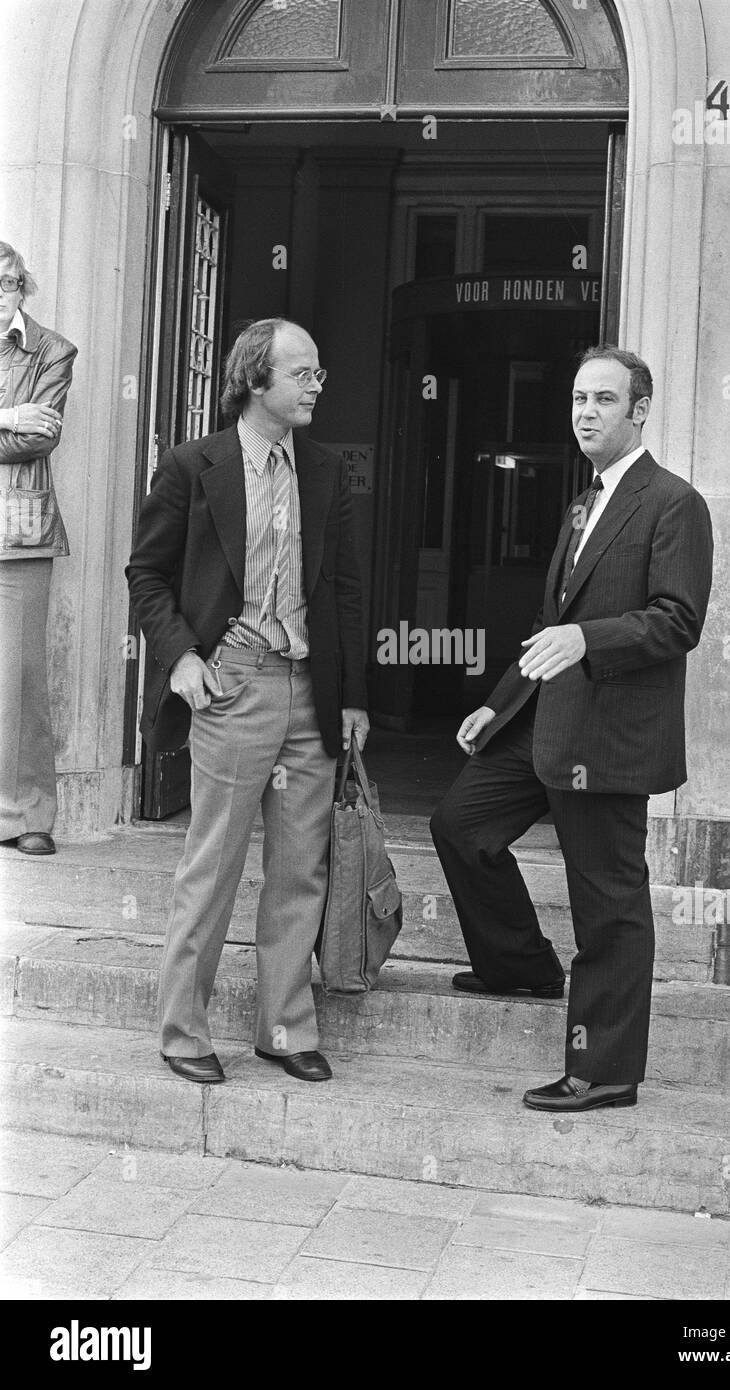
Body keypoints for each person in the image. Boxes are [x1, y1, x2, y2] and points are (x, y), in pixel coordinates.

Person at [430, 346, 713, 1112]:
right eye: (579, 398)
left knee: (607, 907)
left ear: (639, 410)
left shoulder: (673, 502)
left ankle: (604, 1071)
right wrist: (499, 700)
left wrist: (590, 641)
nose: (586, 412)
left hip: (609, 737)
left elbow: (676, 620)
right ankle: (519, 964)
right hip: (543, 720)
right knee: (460, 824)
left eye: (605, 400)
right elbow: (549, 624)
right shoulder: (583, 502)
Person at [127, 318, 368, 1086]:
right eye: (301, 373)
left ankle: (283, 1028)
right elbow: (147, 575)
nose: (316, 385)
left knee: (300, 870)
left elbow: (347, 592)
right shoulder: (192, 467)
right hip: (231, 686)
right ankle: (182, 1033)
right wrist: (182, 662)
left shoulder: (327, 471)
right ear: (254, 380)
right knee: (214, 865)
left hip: (309, 693)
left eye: (319, 372)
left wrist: (354, 697)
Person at [0, 242, 77, 856]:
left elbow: (37, 438)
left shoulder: (53, 350)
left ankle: (29, 817)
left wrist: (18, 423)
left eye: (6, 284)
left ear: (23, 287)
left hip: (18, 532)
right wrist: (5, 414)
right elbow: (14, 427)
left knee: (20, 678)